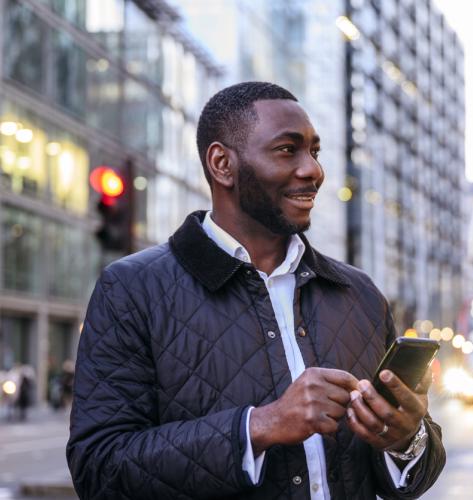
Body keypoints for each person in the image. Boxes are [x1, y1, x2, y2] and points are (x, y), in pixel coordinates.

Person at [67, 82, 445, 499]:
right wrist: (259, 427)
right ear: (222, 164)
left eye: (315, 152)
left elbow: (412, 474)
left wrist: (405, 439)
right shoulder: (132, 289)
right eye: (288, 150)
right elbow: (98, 471)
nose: (313, 170)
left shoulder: (359, 294)